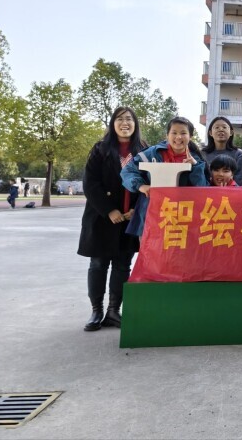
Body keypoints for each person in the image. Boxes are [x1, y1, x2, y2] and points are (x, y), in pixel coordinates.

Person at [78, 107, 146, 332]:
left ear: (135, 124)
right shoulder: (101, 149)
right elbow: (90, 183)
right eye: (120, 119)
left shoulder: (144, 150)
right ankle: (96, 311)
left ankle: (114, 311)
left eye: (129, 119)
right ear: (112, 123)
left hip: (130, 219)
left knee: (122, 265)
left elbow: (149, 181)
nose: (125, 123)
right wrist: (109, 210)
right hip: (102, 217)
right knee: (98, 264)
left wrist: (137, 209)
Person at [121, 116, 208, 237]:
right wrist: (140, 185)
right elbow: (127, 171)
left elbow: (202, 190)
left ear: (190, 136)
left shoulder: (197, 160)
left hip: (182, 220)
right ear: (167, 135)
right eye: (174, 133)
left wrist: (196, 167)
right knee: (150, 249)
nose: (178, 137)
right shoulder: (152, 153)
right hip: (151, 216)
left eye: (183, 133)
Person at [202, 116, 242, 185]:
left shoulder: (239, 154)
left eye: (224, 127)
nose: (221, 129)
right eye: (217, 127)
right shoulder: (202, 154)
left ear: (231, 132)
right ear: (210, 133)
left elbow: (239, 180)